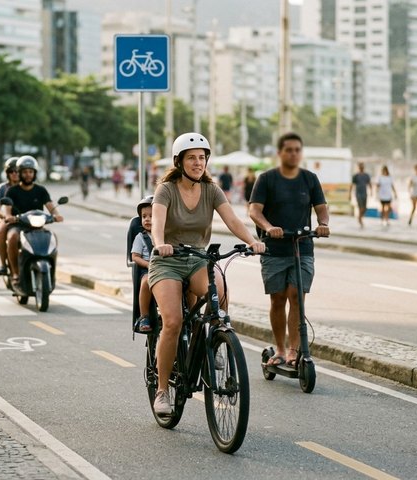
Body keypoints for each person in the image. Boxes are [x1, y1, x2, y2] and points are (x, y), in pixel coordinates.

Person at [150, 132, 265, 416]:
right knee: (174, 321)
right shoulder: (166, 190)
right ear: (179, 162)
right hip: (168, 261)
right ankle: (163, 390)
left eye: (202, 158)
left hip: (198, 258)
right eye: (191, 158)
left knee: (219, 294)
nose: (198, 163)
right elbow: (157, 224)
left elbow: (233, 220)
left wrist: (251, 242)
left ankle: (215, 343)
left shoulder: (212, 190)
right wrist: (159, 244)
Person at [249, 132, 330, 368]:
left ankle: (294, 350)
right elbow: (254, 211)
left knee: (297, 297)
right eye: (289, 150)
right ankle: (281, 349)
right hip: (274, 249)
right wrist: (268, 227)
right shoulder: (266, 179)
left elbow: (321, 208)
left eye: (297, 150)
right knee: (278, 299)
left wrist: (323, 224)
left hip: (302, 246)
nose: (293, 154)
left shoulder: (310, 179)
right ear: (280, 152)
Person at [3, 156, 63, 287]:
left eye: (30, 172)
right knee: (12, 237)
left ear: (35, 173)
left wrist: (56, 215)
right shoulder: (12, 191)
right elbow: (7, 210)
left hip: (37, 227)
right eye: (24, 172)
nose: (28, 175)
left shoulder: (40, 190)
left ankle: (52, 273)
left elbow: (50, 205)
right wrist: (9, 216)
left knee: (53, 238)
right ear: (19, 173)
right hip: (19, 226)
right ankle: (15, 273)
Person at [0, 157, 19, 276]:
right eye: (11, 171)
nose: (14, 174)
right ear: (7, 173)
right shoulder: (4, 188)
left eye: (17, 171)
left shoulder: (29, 186)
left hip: (26, 219)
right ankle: (3, 264)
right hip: (8, 219)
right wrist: (3, 216)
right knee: (1, 230)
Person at [131, 195, 154, 333]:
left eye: (151, 216)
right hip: (148, 270)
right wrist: (148, 265)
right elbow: (135, 257)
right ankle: (144, 316)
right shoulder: (141, 238)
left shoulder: (167, 235)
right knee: (146, 282)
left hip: (167, 268)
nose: (147, 219)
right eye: (144, 216)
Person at [350, 162, 372, 228]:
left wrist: (371, 191)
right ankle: (360, 219)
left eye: (362, 166)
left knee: (365, 208)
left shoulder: (366, 175)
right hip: (358, 193)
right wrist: (349, 194)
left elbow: (369, 183)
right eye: (360, 166)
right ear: (359, 167)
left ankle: (359, 217)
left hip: (364, 193)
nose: (361, 167)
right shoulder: (356, 176)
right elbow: (352, 185)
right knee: (360, 207)